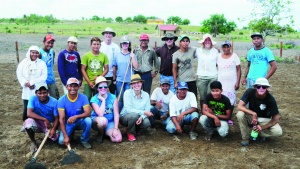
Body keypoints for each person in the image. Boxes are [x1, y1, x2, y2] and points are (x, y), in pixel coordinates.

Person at [237, 78, 282, 146]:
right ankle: (246, 138)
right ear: (255, 87)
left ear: (267, 88)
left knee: (278, 132)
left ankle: (260, 133)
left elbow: (276, 119)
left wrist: (262, 127)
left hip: (265, 119)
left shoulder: (271, 99)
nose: (261, 88)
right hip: (252, 118)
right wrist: (253, 113)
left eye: (264, 87)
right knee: (240, 114)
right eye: (258, 86)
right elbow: (239, 106)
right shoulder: (249, 91)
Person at [21, 83, 59, 152]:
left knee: (54, 139)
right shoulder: (32, 98)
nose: (42, 95)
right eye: (40, 93)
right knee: (28, 123)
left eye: (44, 93)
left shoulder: (54, 101)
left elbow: (57, 118)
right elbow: (29, 114)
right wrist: (44, 119)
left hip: (49, 125)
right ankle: (33, 142)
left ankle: (47, 136)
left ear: (48, 92)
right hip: (36, 122)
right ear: (36, 93)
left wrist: (54, 128)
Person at [58, 77, 92, 149]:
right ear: (66, 87)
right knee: (61, 141)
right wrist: (65, 136)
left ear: (79, 87)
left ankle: (84, 140)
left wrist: (76, 117)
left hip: (80, 121)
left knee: (88, 121)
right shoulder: (61, 100)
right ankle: (69, 134)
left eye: (75, 86)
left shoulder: (83, 97)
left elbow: (88, 113)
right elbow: (62, 119)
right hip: (68, 122)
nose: (73, 88)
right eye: (70, 86)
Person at [16, 45, 47, 121]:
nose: (34, 54)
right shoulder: (24, 62)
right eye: (33, 52)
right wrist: (26, 83)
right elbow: (19, 73)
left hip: (38, 88)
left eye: (37, 53)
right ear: (29, 53)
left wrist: (32, 83)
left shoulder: (42, 63)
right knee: (27, 107)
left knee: (39, 106)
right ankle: (26, 124)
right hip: (27, 89)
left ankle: (40, 123)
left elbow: (43, 76)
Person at [120, 74, 152, 141]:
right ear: (131, 85)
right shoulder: (127, 93)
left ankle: (136, 129)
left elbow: (147, 109)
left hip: (139, 116)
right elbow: (129, 110)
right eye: (134, 83)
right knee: (134, 115)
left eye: (138, 83)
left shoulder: (146, 95)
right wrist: (143, 112)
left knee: (147, 123)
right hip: (126, 116)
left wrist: (142, 116)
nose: (136, 85)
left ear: (141, 83)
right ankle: (130, 132)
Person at [90, 76, 122, 143]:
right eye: (100, 87)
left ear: (107, 87)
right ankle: (100, 132)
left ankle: (106, 132)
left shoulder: (113, 97)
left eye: (105, 87)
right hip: (98, 121)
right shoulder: (94, 99)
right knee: (103, 121)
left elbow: (116, 114)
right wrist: (103, 100)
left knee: (118, 139)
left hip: (110, 122)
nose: (103, 89)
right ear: (97, 89)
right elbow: (100, 114)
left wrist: (115, 128)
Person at [217, 40, 241, 125]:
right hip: (221, 81)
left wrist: (237, 82)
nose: (226, 48)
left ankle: (229, 117)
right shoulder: (218, 56)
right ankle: (221, 116)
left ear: (230, 47)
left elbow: (238, 69)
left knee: (231, 100)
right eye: (224, 47)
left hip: (231, 82)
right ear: (222, 48)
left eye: (228, 47)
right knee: (221, 98)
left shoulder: (235, 56)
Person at [113, 35, 138, 110]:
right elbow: (114, 68)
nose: (125, 45)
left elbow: (136, 67)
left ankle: (127, 112)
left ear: (128, 44)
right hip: (120, 80)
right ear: (121, 44)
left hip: (130, 81)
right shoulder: (117, 55)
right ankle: (119, 113)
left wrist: (132, 57)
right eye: (123, 43)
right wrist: (114, 79)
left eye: (126, 43)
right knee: (120, 97)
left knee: (128, 98)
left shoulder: (132, 55)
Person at [196, 33, 219, 110]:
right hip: (201, 77)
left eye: (209, 40)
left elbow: (219, 62)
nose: (207, 42)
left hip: (213, 76)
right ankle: (203, 112)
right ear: (203, 42)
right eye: (206, 40)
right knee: (202, 96)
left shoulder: (216, 51)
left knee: (211, 95)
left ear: (211, 42)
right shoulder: (198, 51)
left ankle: (210, 111)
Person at [100, 27, 120, 94]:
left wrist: (116, 75)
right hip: (102, 74)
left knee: (113, 93)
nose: (108, 35)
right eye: (107, 33)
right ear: (104, 34)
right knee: (102, 92)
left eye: (110, 33)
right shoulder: (100, 46)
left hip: (112, 75)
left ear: (112, 35)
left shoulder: (116, 47)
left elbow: (118, 61)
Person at [39, 34, 60, 99]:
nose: (50, 45)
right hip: (42, 81)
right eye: (48, 42)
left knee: (55, 98)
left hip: (51, 79)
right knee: (43, 99)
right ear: (43, 42)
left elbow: (51, 64)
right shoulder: (39, 53)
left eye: (52, 43)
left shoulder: (52, 52)